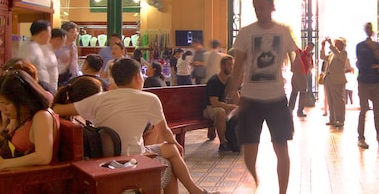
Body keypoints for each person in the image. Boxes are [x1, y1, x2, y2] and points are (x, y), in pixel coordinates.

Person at [52, 57, 213, 194]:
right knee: (169, 163)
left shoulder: (99, 98)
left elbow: (57, 109)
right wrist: (177, 144)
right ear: (137, 77)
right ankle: (195, 191)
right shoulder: (149, 98)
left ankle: (195, 191)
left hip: (107, 159)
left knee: (171, 151)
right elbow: (164, 133)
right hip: (133, 159)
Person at [225, 0, 302, 194]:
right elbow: (238, 65)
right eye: (256, 8)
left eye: (262, 7)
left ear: (272, 8)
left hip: (276, 98)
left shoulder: (283, 31)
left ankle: (282, 192)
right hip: (251, 99)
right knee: (249, 152)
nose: (259, 11)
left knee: (281, 149)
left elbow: (296, 60)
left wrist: (299, 78)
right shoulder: (246, 33)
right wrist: (234, 90)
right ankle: (255, 180)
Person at [355, 22, 379, 150]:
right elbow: (362, 62)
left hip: (375, 81)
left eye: (371, 28)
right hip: (364, 81)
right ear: (365, 30)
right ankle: (361, 137)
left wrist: (375, 56)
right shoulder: (360, 46)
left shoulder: (377, 45)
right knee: (363, 110)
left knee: (377, 111)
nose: (369, 30)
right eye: (367, 28)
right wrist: (373, 62)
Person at [204, 54, 239, 152]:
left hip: (223, 106)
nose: (231, 67)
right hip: (209, 108)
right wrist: (231, 106)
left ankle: (237, 140)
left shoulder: (230, 80)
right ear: (222, 66)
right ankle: (222, 143)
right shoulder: (214, 81)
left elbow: (237, 99)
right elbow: (214, 103)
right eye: (229, 65)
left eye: (232, 65)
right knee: (221, 112)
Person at [16, 19, 59, 94]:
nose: (50, 37)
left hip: (43, 88)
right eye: (49, 34)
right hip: (36, 89)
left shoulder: (37, 47)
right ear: (43, 34)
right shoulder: (29, 48)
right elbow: (24, 68)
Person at [321, 36, 349, 129]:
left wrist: (331, 45)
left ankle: (340, 119)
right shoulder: (332, 54)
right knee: (330, 100)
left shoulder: (343, 53)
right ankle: (332, 118)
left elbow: (338, 54)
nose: (336, 46)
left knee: (339, 101)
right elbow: (323, 57)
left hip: (337, 80)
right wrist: (322, 47)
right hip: (329, 79)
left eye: (338, 44)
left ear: (342, 45)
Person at [288, 41, 315, 118]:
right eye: (308, 47)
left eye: (311, 48)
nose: (309, 49)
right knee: (294, 92)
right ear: (306, 46)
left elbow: (311, 67)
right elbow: (294, 48)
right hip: (297, 74)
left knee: (303, 93)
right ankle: (290, 109)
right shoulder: (300, 52)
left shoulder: (309, 56)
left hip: (304, 75)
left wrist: (308, 60)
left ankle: (300, 110)